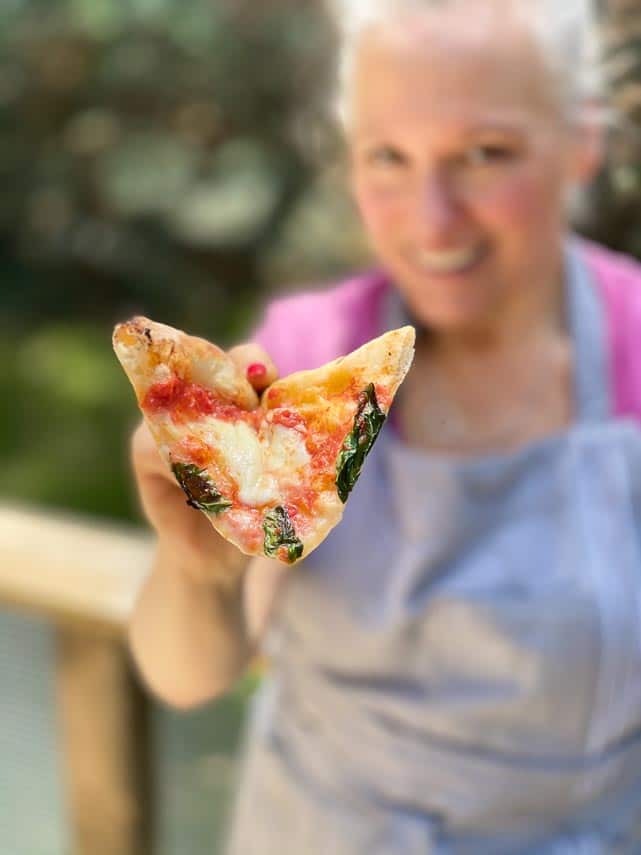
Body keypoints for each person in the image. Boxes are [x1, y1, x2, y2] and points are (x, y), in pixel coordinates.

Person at [128, 0, 641, 851]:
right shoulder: (305, 361)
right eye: (388, 158)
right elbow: (185, 678)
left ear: (580, 142)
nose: (430, 220)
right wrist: (200, 573)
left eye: (485, 154)